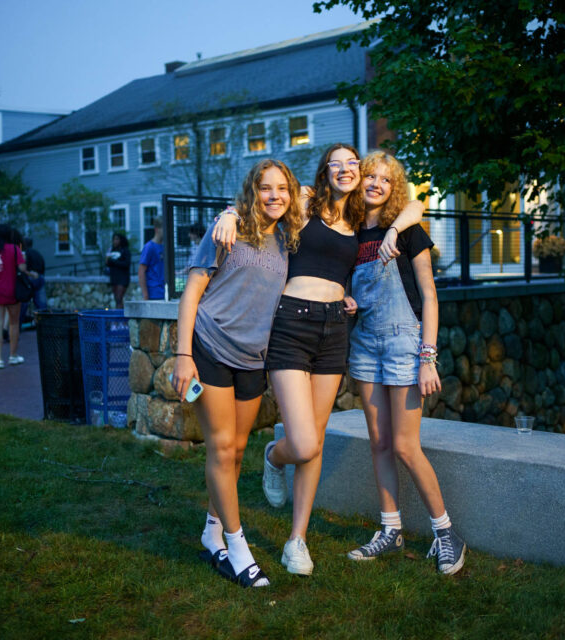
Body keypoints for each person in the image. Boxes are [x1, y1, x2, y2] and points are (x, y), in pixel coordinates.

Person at [213, 143, 424, 576]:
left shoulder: (361, 216)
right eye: (338, 163)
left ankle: (297, 540)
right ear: (325, 169)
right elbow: (262, 201)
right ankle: (274, 455)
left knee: (318, 439)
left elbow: (415, 205)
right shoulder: (306, 200)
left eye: (353, 164)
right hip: (291, 324)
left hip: (333, 330)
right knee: (303, 441)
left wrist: (387, 236)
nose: (346, 170)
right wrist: (228, 214)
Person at [171, 159, 303, 588]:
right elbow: (192, 293)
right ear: (252, 191)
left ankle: (212, 530)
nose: (275, 196)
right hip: (210, 348)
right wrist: (182, 355)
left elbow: (320, 193)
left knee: (240, 450)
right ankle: (236, 545)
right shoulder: (226, 231)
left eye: (282, 188)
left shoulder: (287, 236)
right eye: (266, 188)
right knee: (223, 448)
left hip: (253, 359)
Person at [346, 151, 466, 575]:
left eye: (385, 178)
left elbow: (429, 295)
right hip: (363, 344)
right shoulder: (351, 231)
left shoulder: (410, 230)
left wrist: (427, 357)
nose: (376, 183)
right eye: (369, 176)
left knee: (404, 445)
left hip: (404, 342)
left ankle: (447, 532)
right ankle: (390, 530)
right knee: (378, 442)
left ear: (394, 187)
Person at [0, 224, 28, 368]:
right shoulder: (14, 249)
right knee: (13, 324)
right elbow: (22, 268)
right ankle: (13, 355)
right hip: (12, 292)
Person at [20, 237, 47, 325]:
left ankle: (20, 322)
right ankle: (43, 323)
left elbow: (23, 268)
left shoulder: (25, 254)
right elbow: (43, 267)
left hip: (30, 278)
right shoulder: (38, 254)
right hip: (40, 278)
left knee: (24, 302)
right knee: (41, 304)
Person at [138, 217, 164, 300]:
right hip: (153, 293)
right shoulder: (149, 247)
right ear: (157, 229)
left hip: (165, 291)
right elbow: (141, 271)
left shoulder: (165, 247)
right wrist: (145, 295)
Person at [106, 232, 131, 309]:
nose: (115, 241)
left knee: (119, 298)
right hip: (114, 278)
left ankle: (120, 318)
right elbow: (107, 263)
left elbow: (127, 263)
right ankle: (118, 317)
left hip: (122, 278)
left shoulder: (125, 251)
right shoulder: (112, 250)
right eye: (113, 239)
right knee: (117, 299)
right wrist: (108, 260)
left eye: (117, 239)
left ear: (121, 240)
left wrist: (115, 262)